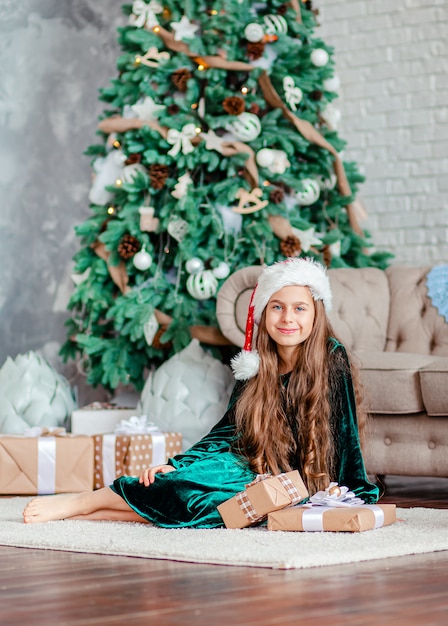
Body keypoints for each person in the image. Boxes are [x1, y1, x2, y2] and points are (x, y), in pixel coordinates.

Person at [23, 258, 379, 527]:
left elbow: (345, 435)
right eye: (277, 307)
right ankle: (86, 502)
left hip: (300, 480)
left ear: (316, 315)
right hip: (250, 463)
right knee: (183, 482)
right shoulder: (254, 364)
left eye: (300, 308)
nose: (288, 318)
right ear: (263, 313)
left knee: (218, 508)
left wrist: (351, 490)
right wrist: (178, 464)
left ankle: (102, 514)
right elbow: (227, 431)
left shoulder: (331, 357)